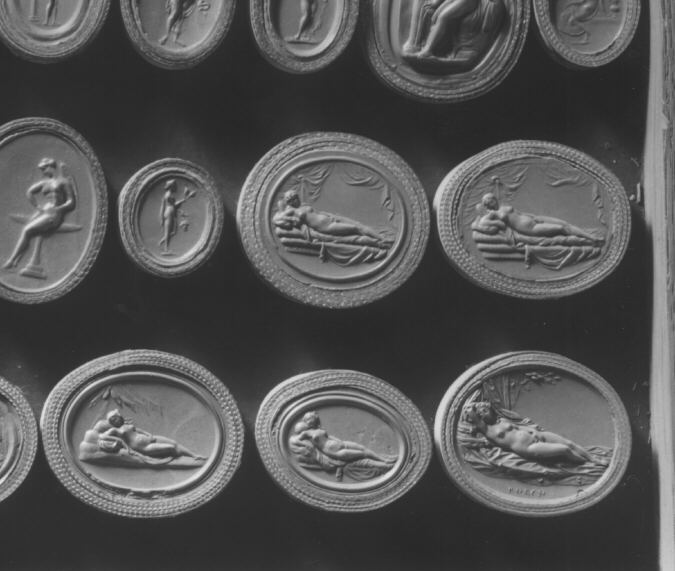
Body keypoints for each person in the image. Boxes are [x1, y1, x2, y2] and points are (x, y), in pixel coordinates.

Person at [464, 401, 596, 464]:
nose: (484, 413)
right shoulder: (487, 430)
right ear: (479, 417)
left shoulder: (502, 419)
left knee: (569, 443)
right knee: (565, 449)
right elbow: (471, 413)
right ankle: (585, 463)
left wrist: (533, 430)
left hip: (537, 435)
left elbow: (518, 426)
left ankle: (593, 458)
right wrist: (472, 408)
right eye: (481, 413)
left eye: (485, 410)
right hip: (528, 447)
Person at [3, 158, 77, 272]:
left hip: (54, 215)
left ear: (51, 167)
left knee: (27, 230)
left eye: (44, 169)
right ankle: (16, 261)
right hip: (44, 212)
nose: (43, 172)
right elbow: (30, 192)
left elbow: (71, 202)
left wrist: (57, 209)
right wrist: (38, 206)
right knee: (27, 230)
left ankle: (12, 261)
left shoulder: (63, 182)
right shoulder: (45, 183)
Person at [273, 190, 390, 247]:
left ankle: (382, 238)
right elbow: (276, 219)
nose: (297, 200)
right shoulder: (290, 211)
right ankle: (379, 243)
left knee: (359, 226)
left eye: (297, 197)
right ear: (289, 202)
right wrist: (291, 220)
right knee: (355, 229)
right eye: (293, 199)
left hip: (330, 219)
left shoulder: (302, 206)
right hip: (327, 227)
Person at [473, 192, 602, 243]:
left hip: (534, 219)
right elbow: (482, 223)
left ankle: (591, 237)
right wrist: (497, 224)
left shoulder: (504, 206)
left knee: (564, 223)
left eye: (492, 198)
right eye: (489, 201)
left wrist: (533, 216)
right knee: (561, 228)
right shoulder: (492, 214)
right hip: (530, 229)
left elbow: (519, 213)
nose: (493, 200)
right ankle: (592, 239)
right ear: (487, 204)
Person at [83, 409, 206, 462]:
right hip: (144, 447)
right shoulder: (115, 430)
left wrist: (149, 435)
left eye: (116, 417)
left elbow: (140, 430)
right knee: (171, 447)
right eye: (113, 420)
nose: (116, 420)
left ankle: (194, 455)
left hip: (151, 439)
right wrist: (121, 443)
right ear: (110, 422)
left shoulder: (127, 425)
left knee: (174, 442)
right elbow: (102, 436)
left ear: (120, 416)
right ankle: (180, 458)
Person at [290, 411, 396, 464]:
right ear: (305, 422)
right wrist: (306, 446)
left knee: (362, 447)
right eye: (309, 419)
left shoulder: (319, 429)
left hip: (342, 444)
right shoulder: (306, 433)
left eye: (312, 418)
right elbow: (296, 440)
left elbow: (329, 437)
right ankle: (384, 461)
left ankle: (384, 458)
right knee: (363, 454)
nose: (311, 420)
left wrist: (339, 441)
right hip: (337, 453)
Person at [159, 179, 195, 253]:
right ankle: (166, 248)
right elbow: (173, 205)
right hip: (169, 213)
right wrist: (182, 201)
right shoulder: (168, 195)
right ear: (171, 186)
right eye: (175, 186)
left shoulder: (169, 194)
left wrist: (181, 201)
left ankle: (161, 243)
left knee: (174, 231)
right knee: (168, 231)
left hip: (171, 213)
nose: (176, 187)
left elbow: (172, 205)